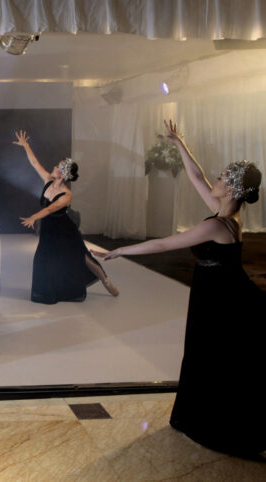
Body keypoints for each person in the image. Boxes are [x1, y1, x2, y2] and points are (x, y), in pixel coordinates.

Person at [93, 120, 265, 459]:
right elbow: (197, 177)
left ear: (231, 189)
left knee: (214, 360)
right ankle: (198, 418)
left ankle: (220, 428)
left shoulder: (218, 224)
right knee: (206, 357)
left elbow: (163, 245)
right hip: (215, 294)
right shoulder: (225, 213)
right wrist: (180, 144)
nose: (213, 180)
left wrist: (121, 250)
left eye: (221, 178)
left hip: (224, 300)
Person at [14, 129, 119, 303]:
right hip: (50, 230)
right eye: (56, 165)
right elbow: (34, 163)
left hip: (65, 231)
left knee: (84, 258)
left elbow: (49, 210)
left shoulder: (66, 195)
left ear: (63, 174)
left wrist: (33, 217)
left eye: (58, 167)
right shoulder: (48, 180)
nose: (54, 167)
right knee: (43, 259)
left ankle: (105, 280)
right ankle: (46, 292)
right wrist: (26, 145)